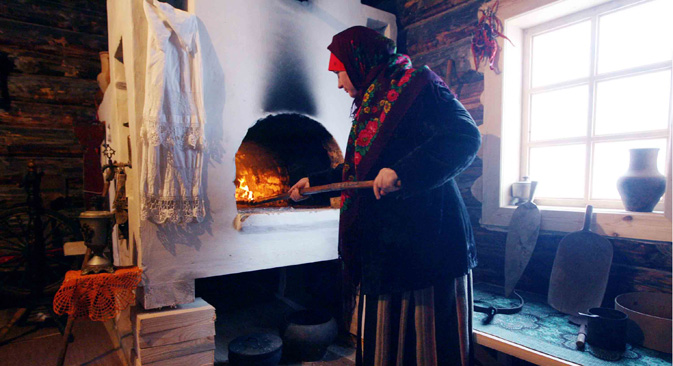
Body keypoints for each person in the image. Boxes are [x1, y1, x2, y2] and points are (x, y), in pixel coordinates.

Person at [289, 26, 481, 366]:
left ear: (360, 61)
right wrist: (313, 184)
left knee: (427, 350)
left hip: (427, 246)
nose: (338, 83)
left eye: (339, 72)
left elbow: (465, 136)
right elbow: (357, 170)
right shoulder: (372, 102)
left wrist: (404, 173)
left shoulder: (419, 86)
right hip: (389, 247)